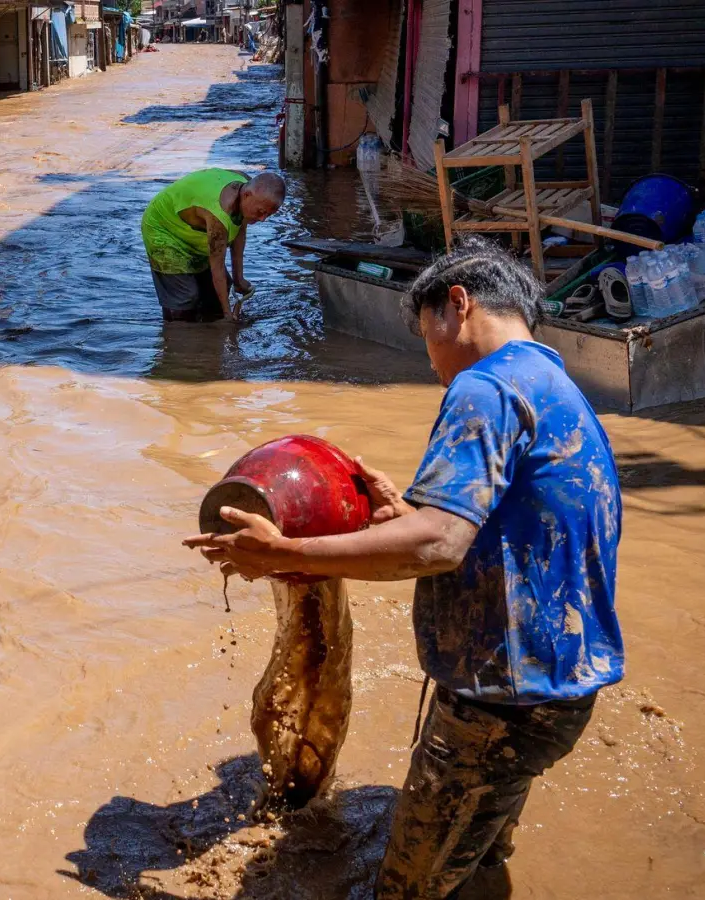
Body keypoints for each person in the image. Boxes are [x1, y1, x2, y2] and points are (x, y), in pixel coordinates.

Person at [185, 239, 624, 898]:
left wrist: (285, 554)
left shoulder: (486, 385)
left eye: (427, 341)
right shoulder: (553, 385)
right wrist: (405, 514)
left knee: (407, 888)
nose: (434, 366)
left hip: (499, 704)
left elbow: (439, 545)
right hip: (557, 689)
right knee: (474, 857)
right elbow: (507, 528)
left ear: (459, 304)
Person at [141, 169, 285, 323]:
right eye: (261, 212)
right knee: (185, 297)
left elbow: (239, 230)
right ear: (247, 195)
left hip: (193, 230)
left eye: (268, 215)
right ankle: (176, 336)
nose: (263, 219)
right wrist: (227, 315)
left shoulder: (246, 185)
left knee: (216, 292)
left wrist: (238, 279)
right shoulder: (219, 215)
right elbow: (217, 268)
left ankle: (209, 330)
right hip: (162, 228)